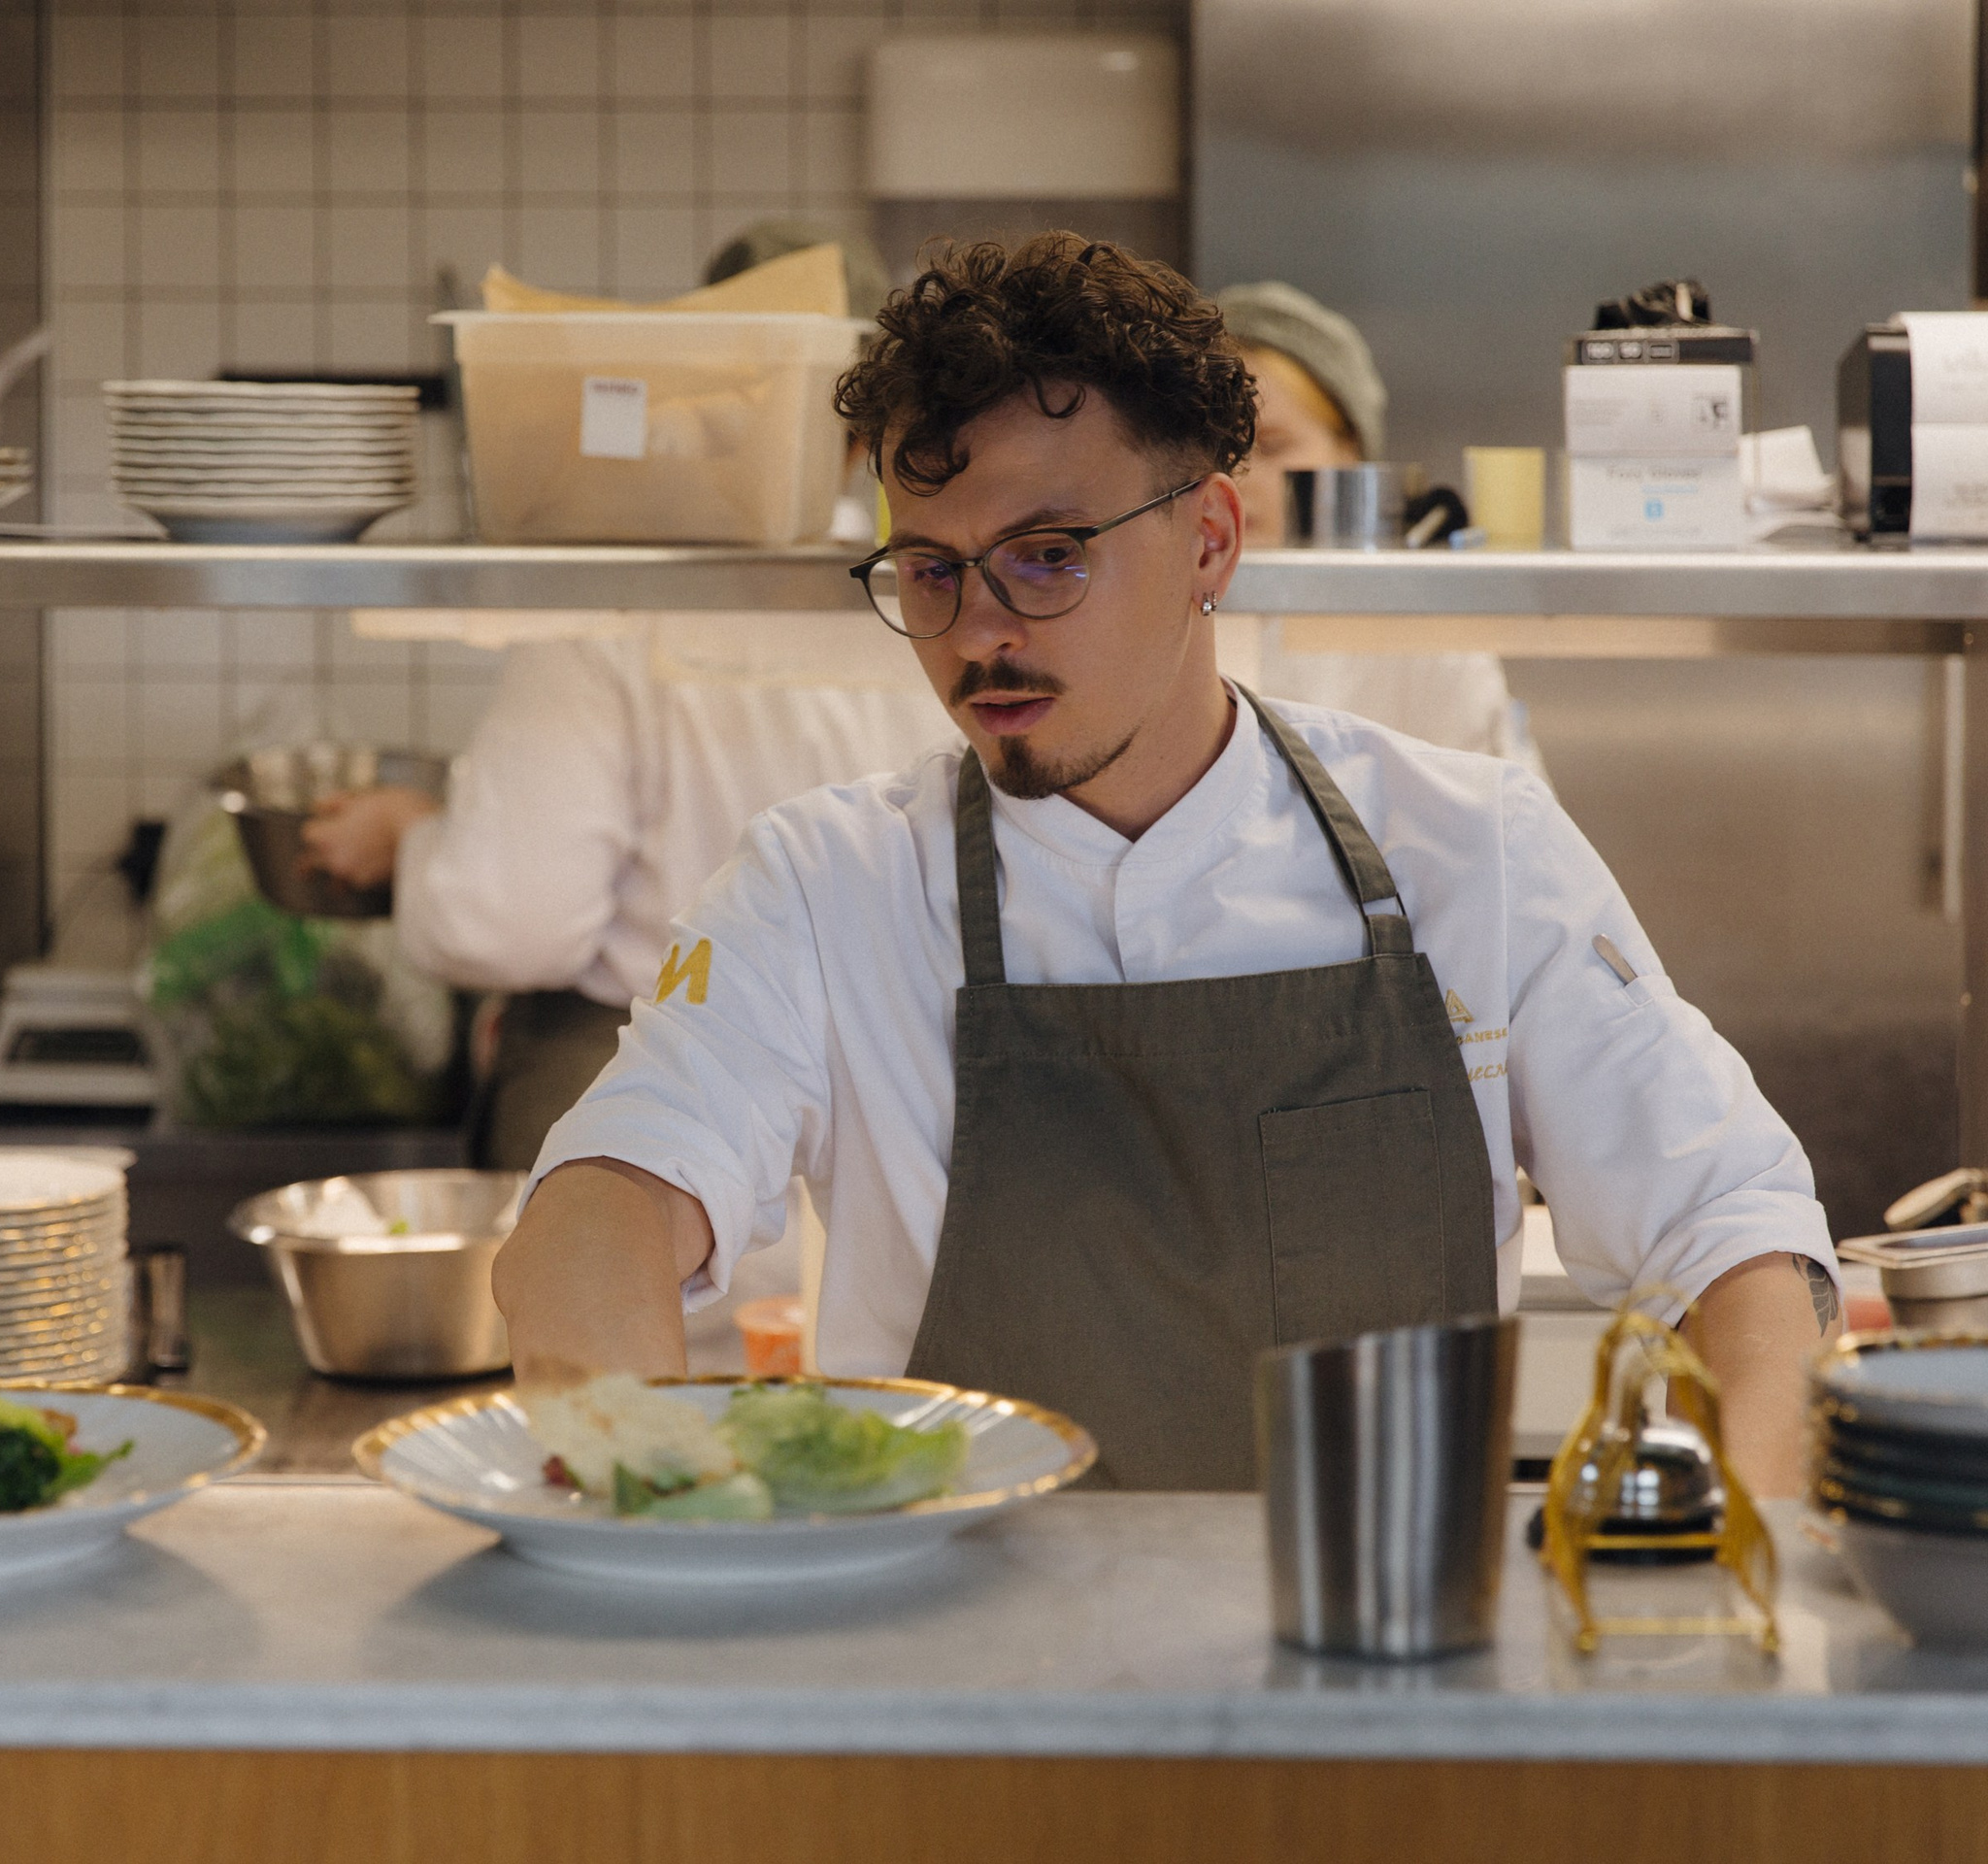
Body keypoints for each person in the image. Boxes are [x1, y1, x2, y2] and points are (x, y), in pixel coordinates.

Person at [491, 234, 1839, 1494]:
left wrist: (1752, 1557)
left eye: (1047, 559)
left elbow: (1730, 1228)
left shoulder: (1471, 850)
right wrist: (644, 1480)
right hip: (964, 1648)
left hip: (1392, 1624)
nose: (978, 634)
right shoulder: (826, 883)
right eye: (931, 571)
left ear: (1210, 542)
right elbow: (608, 1202)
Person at [302, 225, 951, 1174]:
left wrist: (411, 838)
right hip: (882, 1124)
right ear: (866, 436)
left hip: (642, 1125)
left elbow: (512, 921)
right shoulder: (934, 603)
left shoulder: (614, 600)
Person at [1214, 281, 1544, 774]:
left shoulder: (1422, 628)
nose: (1236, 476)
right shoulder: (1153, 617)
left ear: (1349, 449)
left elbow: (1501, 804)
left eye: (1272, 446)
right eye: (1214, 448)